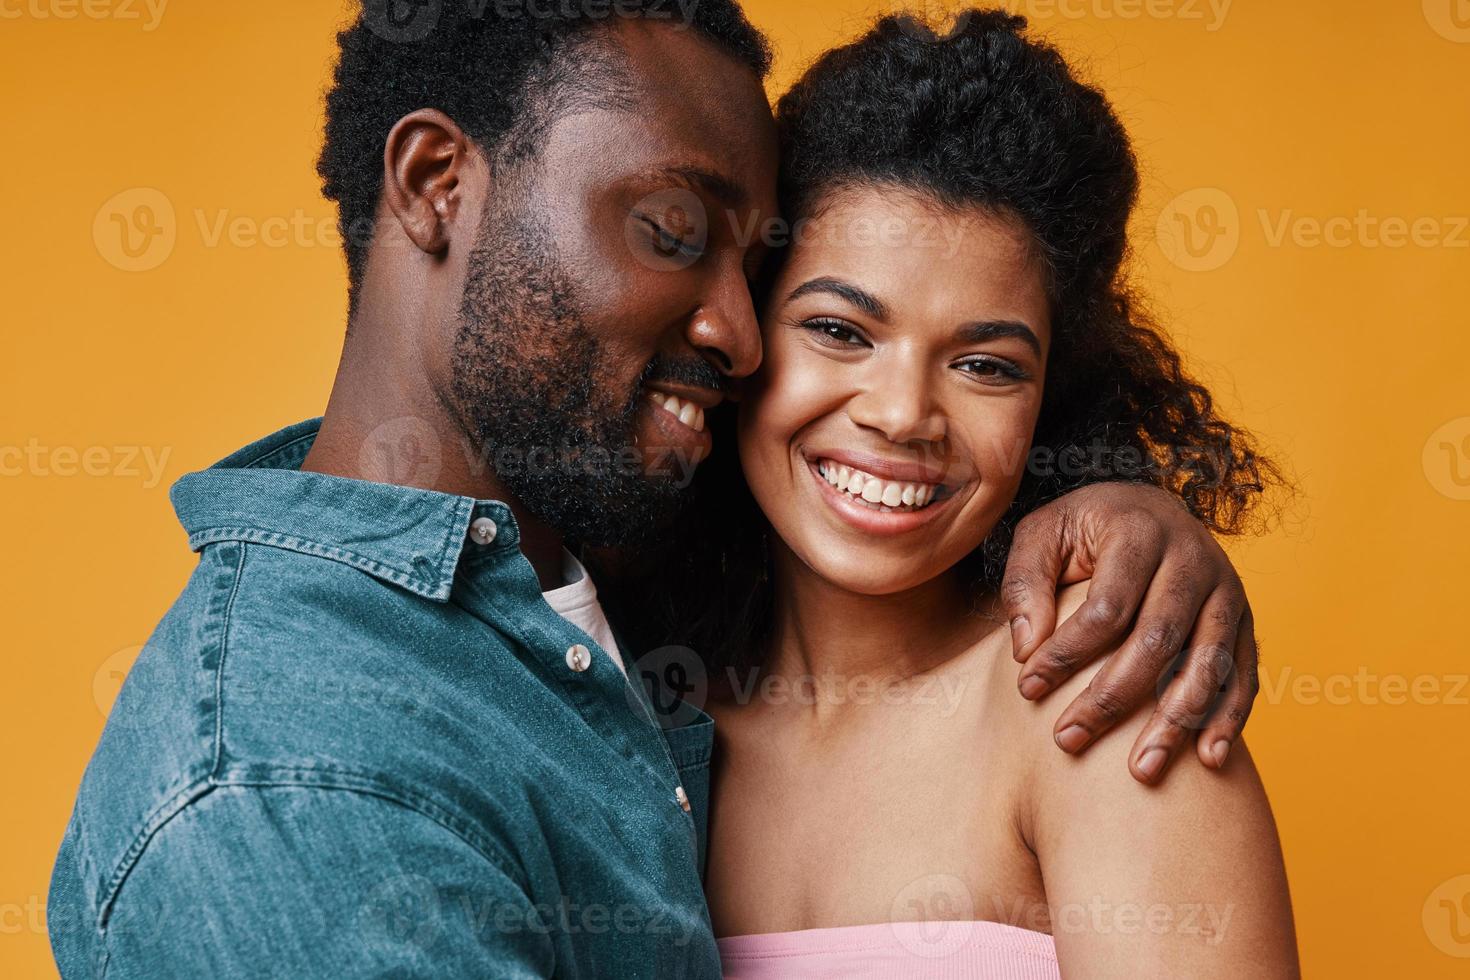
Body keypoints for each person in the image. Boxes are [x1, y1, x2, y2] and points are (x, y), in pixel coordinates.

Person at [49, 3, 1267, 976]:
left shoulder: (613, 681)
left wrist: (1136, 512)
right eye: (675, 234)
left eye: (989, 362)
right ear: (433, 183)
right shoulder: (298, 775)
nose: (731, 332)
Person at [611, 11, 1294, 978]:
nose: (902, 416)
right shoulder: (637, 718)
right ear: (740, 332)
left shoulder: (1099, 709)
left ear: (1053, 399)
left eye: (984, 365)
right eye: (841, 331)